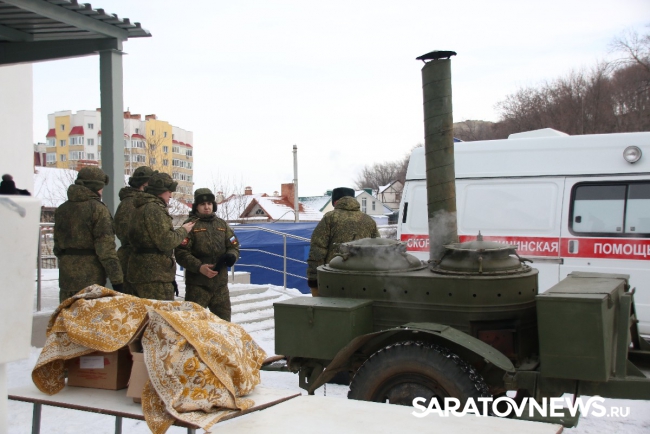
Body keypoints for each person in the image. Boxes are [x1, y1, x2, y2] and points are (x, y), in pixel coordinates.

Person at [53, 167, 123, 302]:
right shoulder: (98, 209)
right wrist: (117, 280)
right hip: (91, 278)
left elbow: (57, 247)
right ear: (97, 186)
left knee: (68, 313)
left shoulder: (62, 209)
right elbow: (106, 250)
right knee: (89, 314)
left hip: (66, 275)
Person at [128, 172, 194, 300]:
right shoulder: (154, 209)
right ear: (160, 191)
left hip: (141, 271)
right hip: (155, 275)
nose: (170, 195)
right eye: (169, 191)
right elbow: (166, 241)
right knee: (160, 311)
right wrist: (184, 230)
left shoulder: (140, 207)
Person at [175, 188, 240, 321]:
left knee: (224, 325)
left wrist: (232, 256)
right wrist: (199, 267)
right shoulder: (190, 225)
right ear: (196, 206)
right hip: (198, 286)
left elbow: (234, 246)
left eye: (209, 204)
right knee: (193, 325)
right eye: (202, 204)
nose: (206, 207)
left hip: (220, 286)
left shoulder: (222, 224)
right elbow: (181, 253)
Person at [307, 187, 380, 296]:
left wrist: (314, 279)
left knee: (333, 306)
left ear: (335, 202)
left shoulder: (330, 217)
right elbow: (378, 249)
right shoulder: (369, 220)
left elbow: (318, 249)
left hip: (333, 277)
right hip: (363, 279)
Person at [113, 166, 156, 295]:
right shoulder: (133, 203)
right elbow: (126, 233)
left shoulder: (132, 202)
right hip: (133, 261)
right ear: (145, 184)